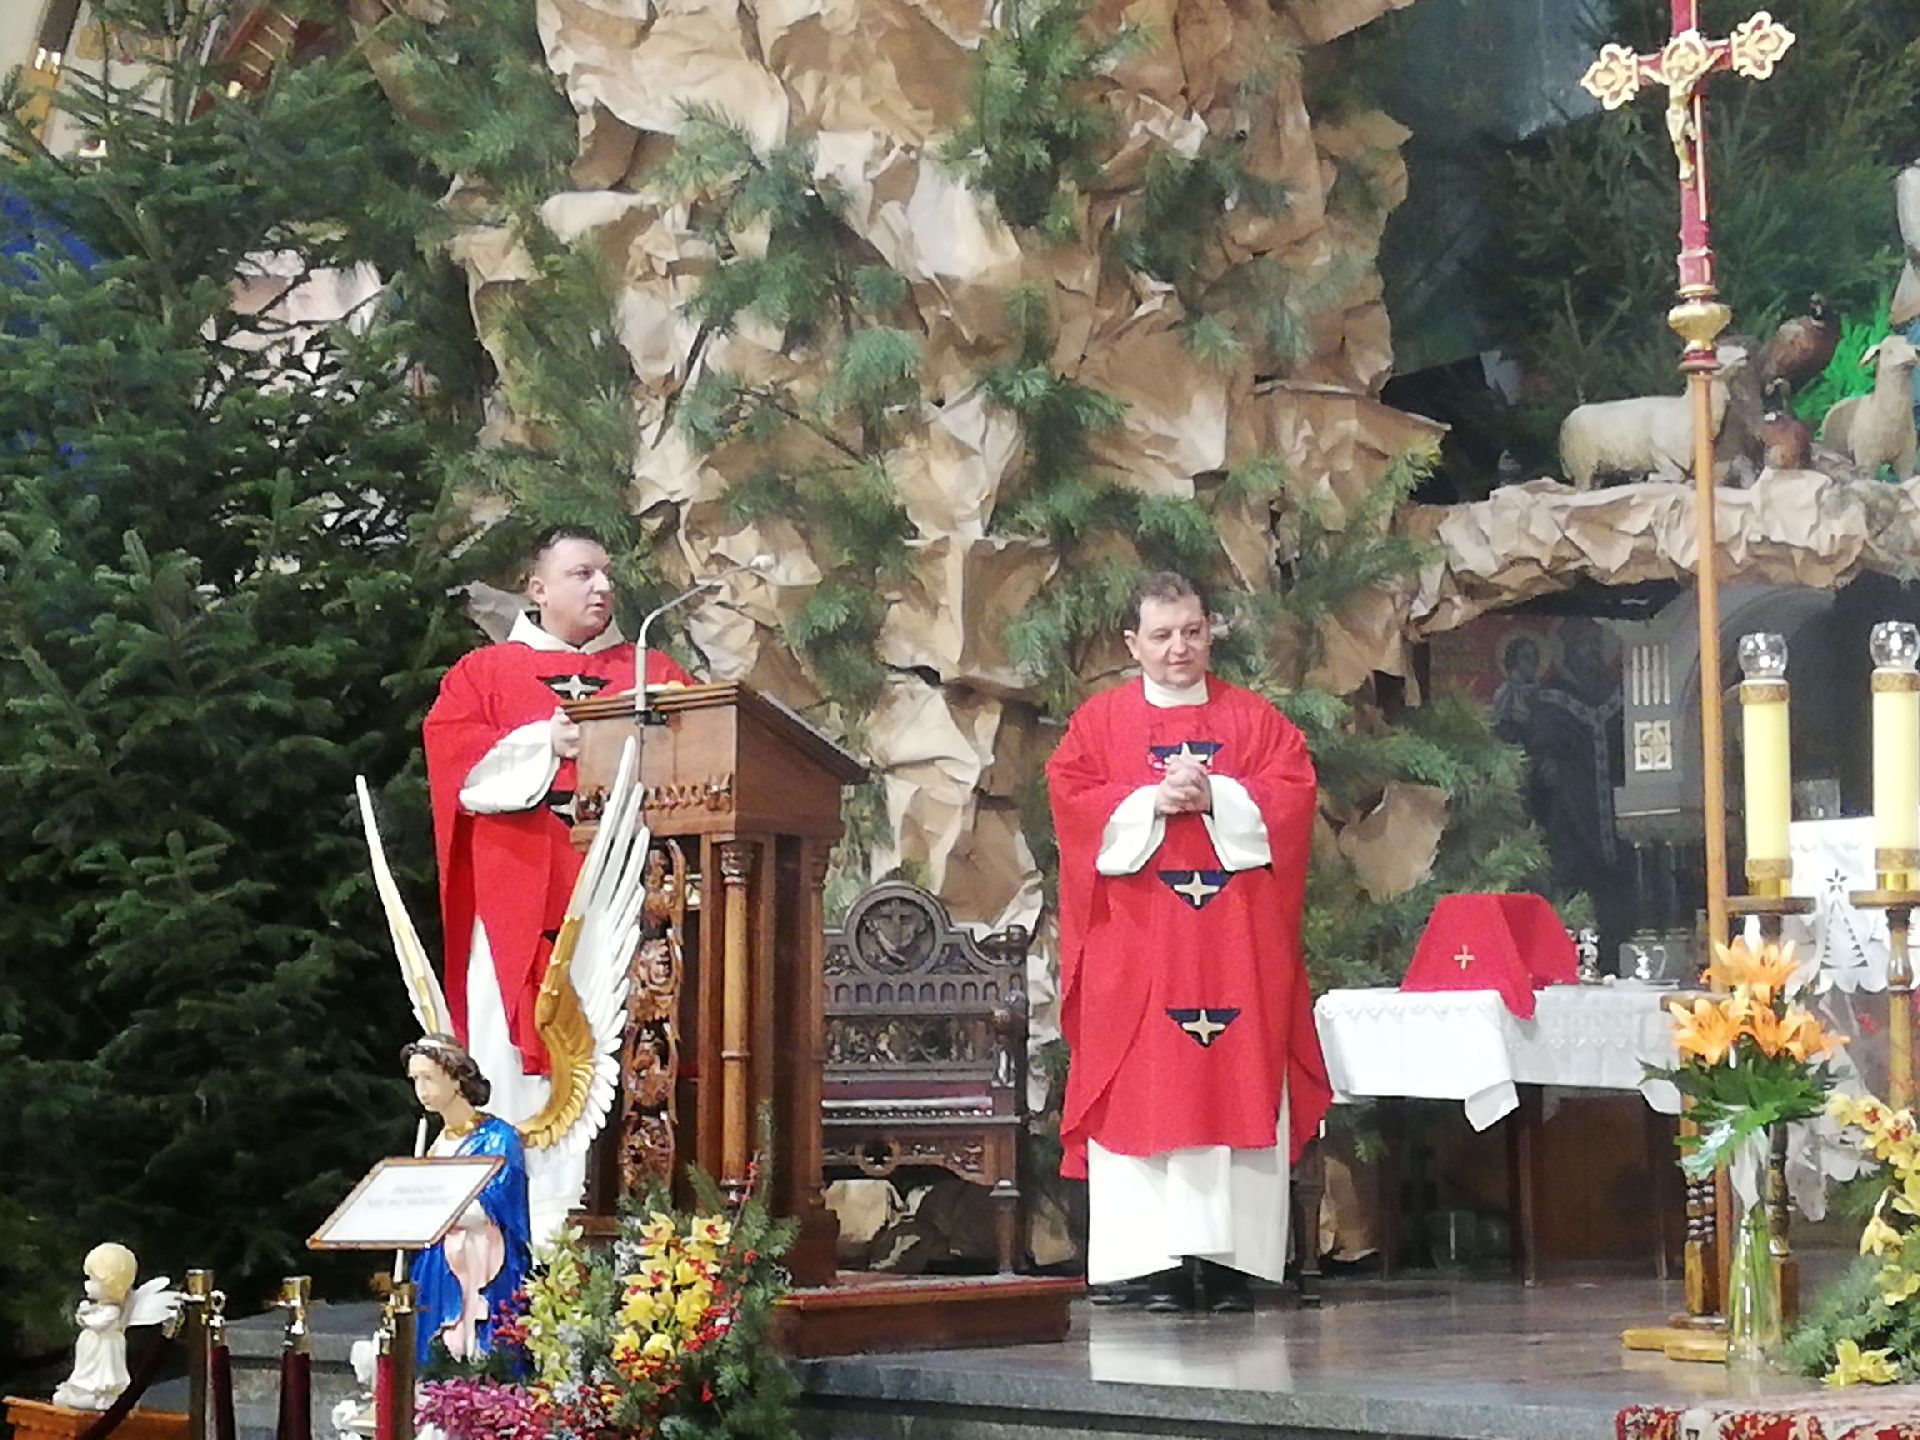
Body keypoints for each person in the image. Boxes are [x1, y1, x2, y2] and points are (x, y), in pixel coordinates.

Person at [1047, 572, 1330, 1314]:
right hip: (1138, 951)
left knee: (1238, 1078)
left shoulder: (1256, 722)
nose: (1180, 648)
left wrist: (1218, 795)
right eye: (1163, 635)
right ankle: (1146, 1264)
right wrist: (1149, 799)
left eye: (1193, 632)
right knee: (1143, 1086)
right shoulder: (1099, 725)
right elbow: (1072, 800)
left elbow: (1293, 795)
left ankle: (1236, 1264)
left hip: (1236, 950)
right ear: (1132, 644)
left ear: (1210, 633)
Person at [423, 526, 694, 1122]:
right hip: (516, 897)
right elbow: (457, 770)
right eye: (582, 574)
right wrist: (542, 742)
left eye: (606, 574)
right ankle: (521, 1180)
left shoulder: (655, 671)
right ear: (538, 588)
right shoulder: (483, 673)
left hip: (630, 902)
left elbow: (708, 751)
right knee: (514, 1064)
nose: (602, 587)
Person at [402, 1035, 532, 1367]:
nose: (421, 1089)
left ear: (457, 1078)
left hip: (484, 1261)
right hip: (438, 1262)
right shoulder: (437, 1142)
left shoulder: (499, 1137)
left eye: (429, 1078)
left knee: (483, 1350)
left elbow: (498, 1201)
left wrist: (433, 1206)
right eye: (415, 1079)